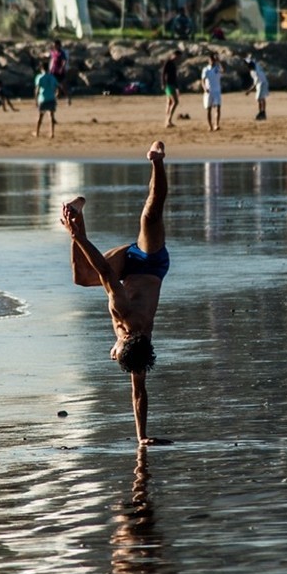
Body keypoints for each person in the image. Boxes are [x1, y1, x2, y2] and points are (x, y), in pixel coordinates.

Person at [60, 141, 171, 445]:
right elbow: (107, 274)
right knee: (151, 216)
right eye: (117, 354)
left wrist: (142, 437)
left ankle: (76, 210)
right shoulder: (126, 312)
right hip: (149, 261)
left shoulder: (137, 353)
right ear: (126, 341)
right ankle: (158, 161)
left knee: (80, 279)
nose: (114, 357)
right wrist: (79, 238)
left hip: (126, 272)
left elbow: (139, 392)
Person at [34, 61, 58, 138]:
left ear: (41, 68)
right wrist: (56, 95)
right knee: (51, 116)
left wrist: (35, 100)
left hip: (43, 98)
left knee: (40, 116)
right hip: (51, 98)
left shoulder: (39, 77)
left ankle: (37, 132)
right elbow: (57, 88)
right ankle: (52, 133)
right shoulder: (52, 77)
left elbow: (37, 89)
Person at [200, 52, 223, 131]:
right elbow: (202, 80)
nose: (212, 61)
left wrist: (219, 61)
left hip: (217, 90)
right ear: (208, 60)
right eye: (211, 59)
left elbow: (223, 71)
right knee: (208, 109)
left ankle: (216, 124)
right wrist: (204, 88)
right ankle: (210, 125)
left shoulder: (217, 68)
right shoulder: (206, 69)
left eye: (213, 59)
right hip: (209, 91)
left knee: (218, 108)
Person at [244, 55, 269, 121]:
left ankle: (262, 113)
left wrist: (249, 91)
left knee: (259, 98)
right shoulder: (255, 66)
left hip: (261, 83)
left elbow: (255, 83)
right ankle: (262, 112)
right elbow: (252, 60)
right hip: (262, 82)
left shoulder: (254, 71)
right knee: (262, 98)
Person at [161, 49, 182, 128]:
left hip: (172, 84)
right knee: (175, 102)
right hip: (168, 85)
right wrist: (163, 83)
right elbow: (163, 73)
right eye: (178, 57)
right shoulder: (168, 62)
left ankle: (167, 121)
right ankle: (168, 120)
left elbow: (174, 77)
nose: (179, 59)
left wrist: (177, 87)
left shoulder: (174, 64)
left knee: (169, 102)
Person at [48, 39, 71, 105]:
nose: (54, 46)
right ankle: (54, 98)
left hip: (60, 72)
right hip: (53, 71)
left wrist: (62, 68)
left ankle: (68, 98)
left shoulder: (61, 53)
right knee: (53, 86)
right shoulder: (52, 52)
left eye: (55, 45)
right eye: (54, 45)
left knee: (63, 86)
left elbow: (64, 61)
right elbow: (51, 60)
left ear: (59, 45)